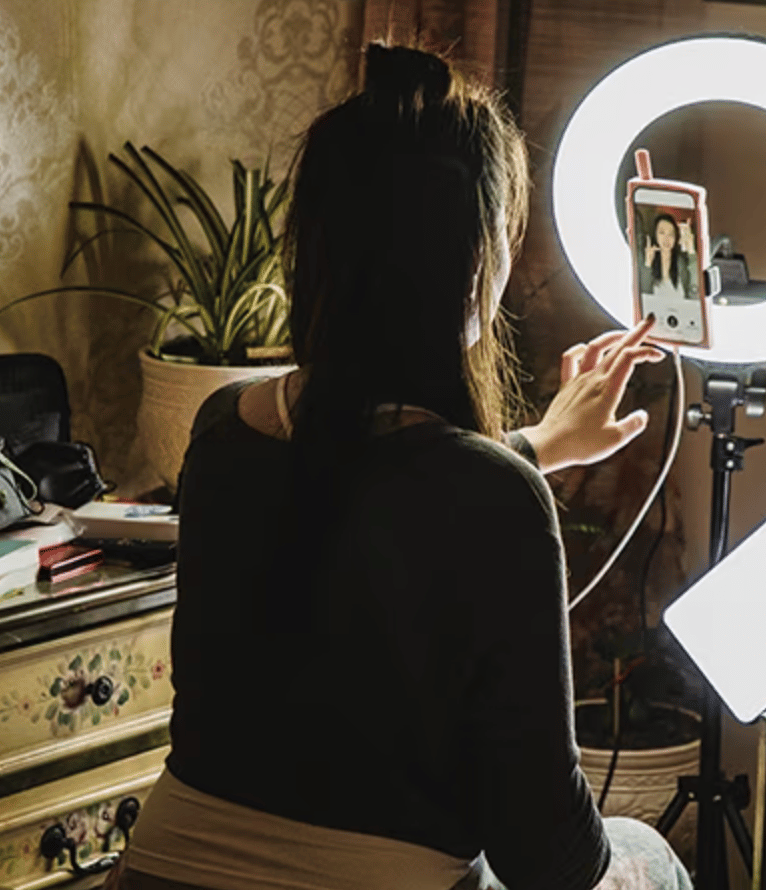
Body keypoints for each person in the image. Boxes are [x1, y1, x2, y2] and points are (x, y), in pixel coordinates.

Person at [107, 42, 691, 890]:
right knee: (650, 857)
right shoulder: (490, 501)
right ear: (476, 264)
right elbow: (552, 860)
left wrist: (539, 445)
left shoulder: (224, 430)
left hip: (159, 876)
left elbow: (363, 490)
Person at [641, 213, 696, 302]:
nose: (667, 238)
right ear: (655, 235)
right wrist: (648, 264)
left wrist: (691, 250)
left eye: (671, 234)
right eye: (662, 232)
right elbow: (643, 297)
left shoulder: (681, 263)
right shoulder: (646, 261)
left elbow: (695, 294)